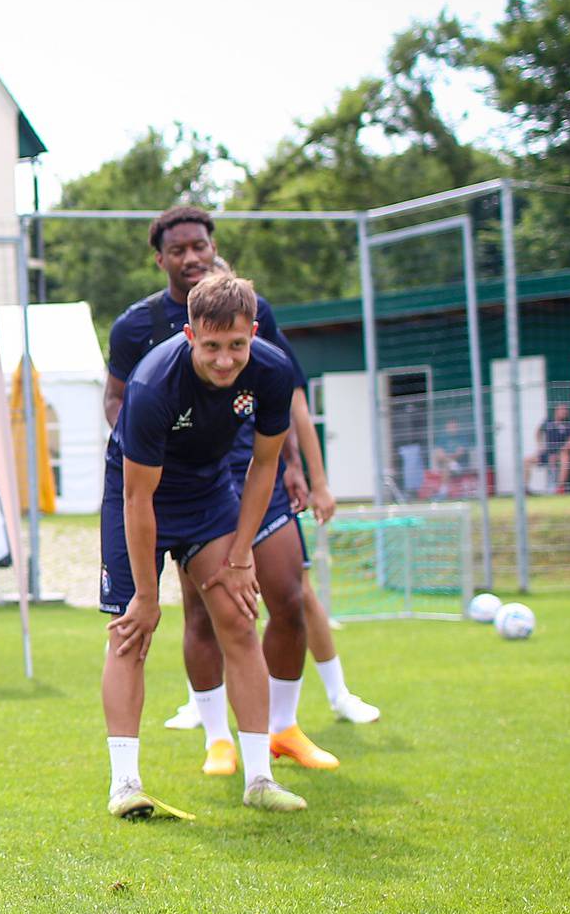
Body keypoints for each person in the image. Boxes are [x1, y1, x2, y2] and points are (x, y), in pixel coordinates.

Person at [101, 210, 377, 764]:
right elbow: (124, 441)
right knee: (171, 616)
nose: (191, 257)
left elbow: (283, 409)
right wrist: (155, 447)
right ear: (161, 260)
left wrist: (306, 474)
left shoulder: (261, 338)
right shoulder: (142, 342)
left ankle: (279, 738)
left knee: (277, 597)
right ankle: (202, 745)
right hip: (160, 479)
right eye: (178, 250)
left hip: (239, 475)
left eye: (200, 246)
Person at [106, 272, 307, 815]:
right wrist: (147, 597)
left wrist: (241, 556)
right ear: (191, 335)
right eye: (212, 346)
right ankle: (124, 785)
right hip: (138, 497)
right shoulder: (153, 385)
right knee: (131, 633)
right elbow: (136, 498)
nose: (225, 360)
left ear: (254, 333)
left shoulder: (272, 370)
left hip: (208, 494)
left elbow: (265, 465)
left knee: (240, 619)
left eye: (237, 345)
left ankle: (260, 778)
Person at [527, 404, 570, 493]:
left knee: (565, 457)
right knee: (526, 460)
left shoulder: (568, 425)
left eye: (565, 410)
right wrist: (540, 446)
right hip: (547, 453)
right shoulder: (548, 422)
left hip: (560, 454)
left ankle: (560, 487)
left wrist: (559, 453)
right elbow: (538, 432)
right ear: (556, 411)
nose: (564, 412)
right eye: (562, 410)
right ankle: (525, 488)